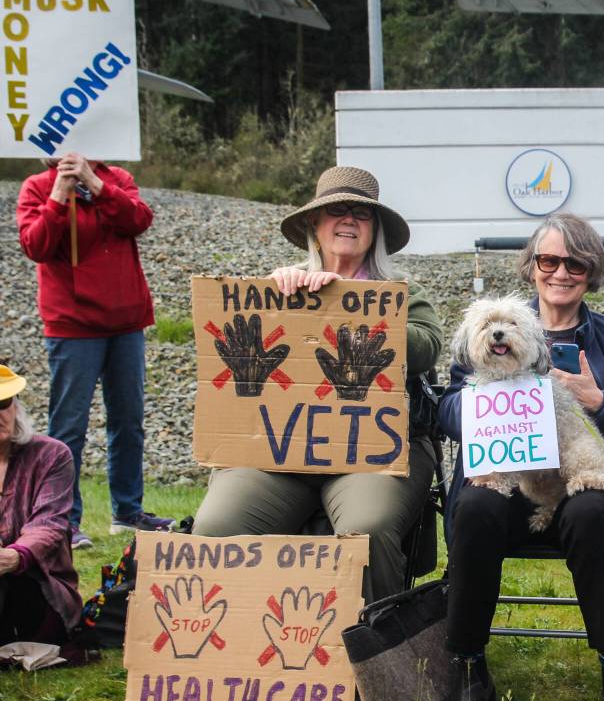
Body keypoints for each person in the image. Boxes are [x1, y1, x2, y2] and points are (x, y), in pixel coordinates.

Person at [439, 213, 604, 701]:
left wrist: (601, 401)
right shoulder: (492, 330)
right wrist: (481, 406)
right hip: (502, 490)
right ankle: (468, 674)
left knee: (593, 510)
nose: (560, 272)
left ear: (591, 270)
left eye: (574, 262)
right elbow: (442, 412)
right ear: (532, 268)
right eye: (549, 260)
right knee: (475, 508)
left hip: (574, 494)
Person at [192, 165, 443, 604]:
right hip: (278, 451)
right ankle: (235, 648)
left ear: (375, 230)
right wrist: (274, 303)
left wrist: (349, 303)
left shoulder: (402, 291)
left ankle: (376, 656)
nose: (348, 219)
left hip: (374, 454)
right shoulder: (279, 287)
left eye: (361, 214)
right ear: (314, 223)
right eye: (336, 210)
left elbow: (426, 350)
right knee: (216, 527)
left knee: (366, 531)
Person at [16, 153, 173, 550]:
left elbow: (138, 220)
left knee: (129, 421)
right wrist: (58, 193)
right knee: (68, 427)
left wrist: (97, 184)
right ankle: (63, 521)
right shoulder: (37, 186)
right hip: (72, 326)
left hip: (126, 323)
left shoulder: (116, 178)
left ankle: (128, 511)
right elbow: (35, 245)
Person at [0, 366, 82, 646]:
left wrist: (14, 557)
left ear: (16, 408)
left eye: (3, 404)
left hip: (39, 587)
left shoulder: (52, 455)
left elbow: (49, 524)